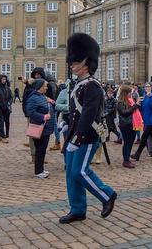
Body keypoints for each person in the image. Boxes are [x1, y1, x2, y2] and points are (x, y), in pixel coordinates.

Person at [60, 33, 116, 224]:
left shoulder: (93, 86)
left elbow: (88, 115)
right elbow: (74, 111)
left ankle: (107, 195)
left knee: (80, 172)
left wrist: (77, 137)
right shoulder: (77, 84)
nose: (71, 64)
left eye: (75, 61)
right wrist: (65, 122)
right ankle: (77, 209)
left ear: (85, 62)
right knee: (71, 174)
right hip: (74, 135)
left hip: (87, 136)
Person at [26, 78, 55, 178]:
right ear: (40, 87)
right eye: (45, 86)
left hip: (46, 128)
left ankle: (41, 169)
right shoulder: (33, 98)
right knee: (40, 149)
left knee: (43, 149)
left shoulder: (42, 96)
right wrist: (43, 117)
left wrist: (52, 103)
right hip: (39, 127)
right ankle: (38, 171)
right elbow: (30, 112)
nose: (47, 87)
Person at [130, 82, 152, 161]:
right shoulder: (145, 96)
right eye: (145, 86)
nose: (147, 88)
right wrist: (138, 103)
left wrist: (151, 97)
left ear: (151, 87)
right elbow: (143, 109)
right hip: (147, 120)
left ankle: (137, 154)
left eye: (148, 86)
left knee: (144, 137)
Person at [117, 84, 142, 168]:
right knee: (127, 143)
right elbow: (124, 113)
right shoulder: (120, 102)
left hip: (132, 124)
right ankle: (126, 161)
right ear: (125, 93)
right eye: (129, 93)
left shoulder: (130, 100)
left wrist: (137, 105)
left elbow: (134, 111)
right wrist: (136, 106)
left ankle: (127, 158)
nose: (130, 94)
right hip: (125, 125)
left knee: (131, 142)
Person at [0, 74, 13, 142]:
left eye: (5, 79)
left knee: (4, 121)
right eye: (2, 79)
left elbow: (11, 97)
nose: (4, 81)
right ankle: (3, 137)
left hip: (6, 107)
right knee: (1, 122)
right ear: (0, 80)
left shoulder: (7, 88)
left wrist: (9, 103)